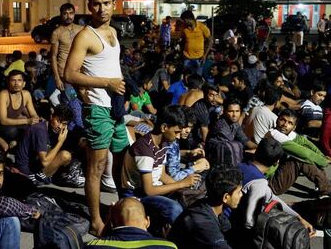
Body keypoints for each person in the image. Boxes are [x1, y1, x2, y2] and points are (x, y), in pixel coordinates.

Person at [64, 0, 129, 236]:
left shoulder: (113, 31)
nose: (101, 9)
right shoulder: (85, 35)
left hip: (115, 107)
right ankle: (95, 220)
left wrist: (122, 91)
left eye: (106, 3)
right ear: (89, 6)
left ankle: (123, 207)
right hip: (98, 110)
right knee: (96, 167)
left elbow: (111, 66)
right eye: (96, 4)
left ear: (114, 4)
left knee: (121, 161)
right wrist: (107, 83)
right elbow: (70, 73)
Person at [120, 105, 201, 234]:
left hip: (153, 189)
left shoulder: (162, 144)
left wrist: (182, 187)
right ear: (164, 127)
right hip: (137, 196)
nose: (179, 136)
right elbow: (149, 190)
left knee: (193, 197)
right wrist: (182, 183)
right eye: (176, 132)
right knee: (174, 209)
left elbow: (162, 175)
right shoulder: (145, 149)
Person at [229, 137, 315, 248]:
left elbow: (272, 197)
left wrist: (299, 217)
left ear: (256, 152)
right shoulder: (259, 183)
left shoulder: (239, 166)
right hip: (233, 230)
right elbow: (249, 222)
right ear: (276, 162)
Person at [168, 165, 244, 249]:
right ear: (225, 197)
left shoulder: (211, 207)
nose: (241, 194)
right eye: (239, 192)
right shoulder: (203, 223)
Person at [266, 109, 331, 197]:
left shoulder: (291, 135)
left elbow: (308, 145)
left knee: (307, 156)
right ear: (277, 120)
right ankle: (326, 189)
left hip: (277, 176)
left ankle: (325, 187)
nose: (285, 125)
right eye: (282, 120)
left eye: (290, 123)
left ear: (294, 127)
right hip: (269, 183)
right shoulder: (274, 134)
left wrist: (321, 156)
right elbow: (304, 153)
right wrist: (324, 161)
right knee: (299, 159)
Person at [15, 104, 84, 187]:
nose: (60, 126)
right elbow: (45, 162)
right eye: (58, 121)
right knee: (65, 155)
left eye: (64, 124)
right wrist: (60, 142)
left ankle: (51, 177)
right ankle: (38, 179)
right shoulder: (40, 130)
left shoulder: (54, 130)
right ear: (51, 116)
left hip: (37, 165)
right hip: (27, 172)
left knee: (69, 156)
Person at [86, 197, 177, 248]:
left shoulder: (93, 245)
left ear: (112, 222)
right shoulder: (169, 246)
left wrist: (108, 222)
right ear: (148, 221)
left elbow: (102, 242)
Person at [206, 98, 257, 166]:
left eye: (237, 111)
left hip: (230, 155)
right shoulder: (221, 126)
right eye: (231, 111)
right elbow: (229, 148)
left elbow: (245, 140)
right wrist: (249, 151)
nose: (234, 115)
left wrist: (259, 148)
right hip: (218, 161)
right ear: (224, 111)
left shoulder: (234, 123)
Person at [0, 70, 39, 143]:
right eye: (13, 80)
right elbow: (3, 120)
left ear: (24, 83)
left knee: (36, 127)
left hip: (15, 124)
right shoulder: (3, 95)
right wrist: (27, 121)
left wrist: (35, 119)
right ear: (8, 83)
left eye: (19, 80)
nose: (16, 83)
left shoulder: (26, 94)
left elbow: (33, 113)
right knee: (12, 131)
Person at [51, 3, 84, 91]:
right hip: (64, 73)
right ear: (61, 15)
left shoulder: (81, 29)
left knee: (84, 99)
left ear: (74, 14)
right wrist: (57, 78)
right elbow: (53, 56)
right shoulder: (57, 32)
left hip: (80, 71)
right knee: (70, 100)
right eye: (65, 13)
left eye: (71, 13)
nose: (68, 16)